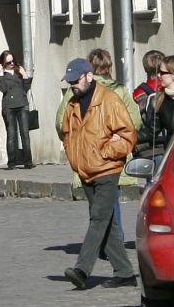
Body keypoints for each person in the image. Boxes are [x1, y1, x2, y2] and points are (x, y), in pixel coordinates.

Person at [58, 58, 137, 290]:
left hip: (107, 169)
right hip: (85, 170)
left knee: (98, 219)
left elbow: (127, 134)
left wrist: (106, 151)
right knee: (108, 222)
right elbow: (66, 133)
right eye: (69, 81)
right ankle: (124, 272)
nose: (72, 85)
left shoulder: (109, 100)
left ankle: (82, 269)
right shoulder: (72, 104)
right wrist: (74, 156)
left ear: (89, 76)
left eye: (75, 80)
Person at [0, 50, 33, 169]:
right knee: (11, 135)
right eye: (8, 62)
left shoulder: (18, 71)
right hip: (9, 107)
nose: (12, 64)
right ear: (2, 63)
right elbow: (3, 89)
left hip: (21, 105)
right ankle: (12, 162)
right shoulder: (1, 75)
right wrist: (1, 73)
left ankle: (28, 161)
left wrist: (25, 75)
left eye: (13, 61)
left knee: (25, 134)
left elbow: (26, 88)